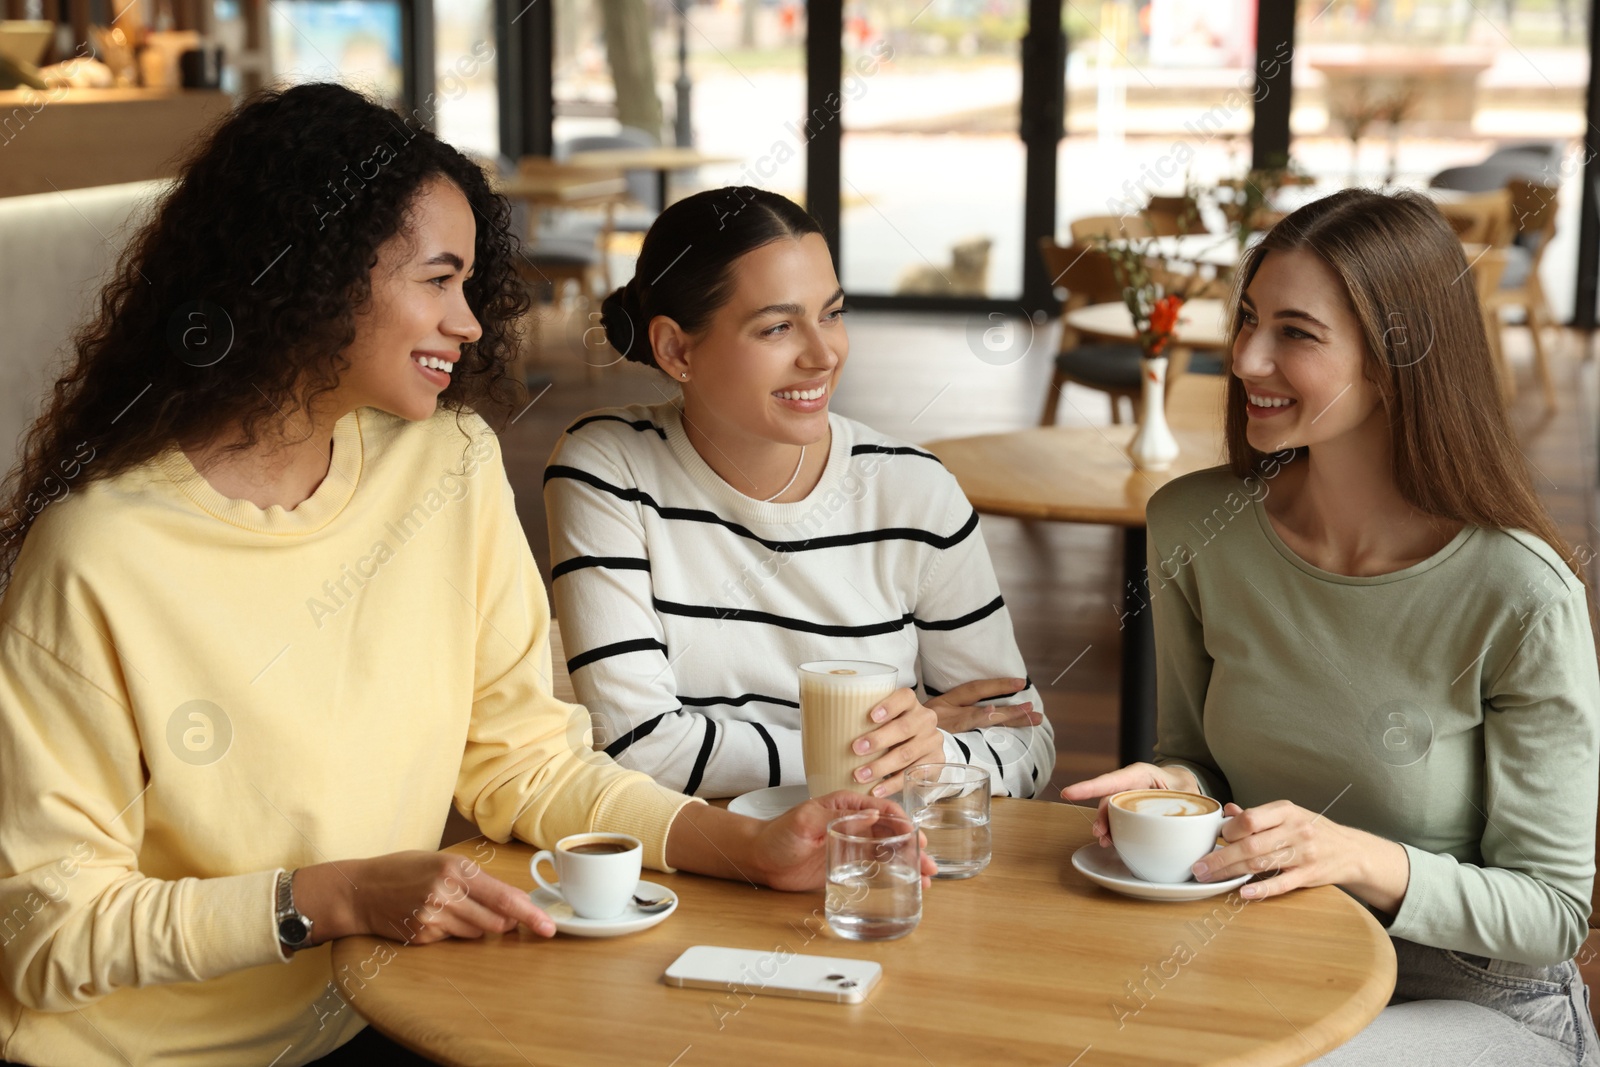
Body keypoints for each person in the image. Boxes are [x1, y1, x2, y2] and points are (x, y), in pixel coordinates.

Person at [0, 85, 930, 1067]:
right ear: (317, 275)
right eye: (439, 281)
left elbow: (523, 760)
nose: (470, 323)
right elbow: (43, 925)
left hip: (376, 1009)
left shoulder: (446, 465)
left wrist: (743, 844)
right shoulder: (101, 552)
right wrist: (331, 896)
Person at [1063, 188, 1599, 1066]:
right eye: (1247, 321)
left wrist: (1350, 853)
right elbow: (1197, 754)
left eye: (1294, 333)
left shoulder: (1520, 591)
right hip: (1263, 960)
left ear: (1397, 358)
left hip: (1477, 999)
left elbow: (1550, 913)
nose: (1245, 359)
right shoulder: (1194, 525)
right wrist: (1166, 790)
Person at [543, 186, 1054, 801]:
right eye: (778, 326)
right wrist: (881, 756)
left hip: (872, 860)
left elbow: (1025, 741)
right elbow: (640, 746)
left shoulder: (915, 491)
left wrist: (934, 747)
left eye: (832, 314)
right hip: (696, 865)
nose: (823, 354)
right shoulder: (608, 468)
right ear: (676, 348)